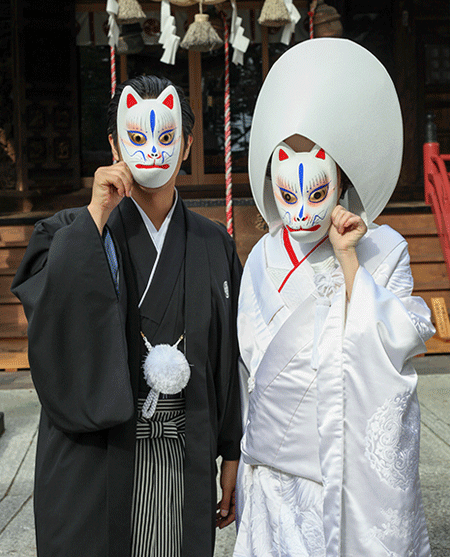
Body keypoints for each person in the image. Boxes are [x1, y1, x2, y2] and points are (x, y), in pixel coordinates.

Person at [12, 75, 242, 557]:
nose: (153, 150)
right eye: (136, 137)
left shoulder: (213, 242)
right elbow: (52, 322)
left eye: (166, 137)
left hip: (184, 452)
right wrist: (95, 215)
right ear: (114, 144)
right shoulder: (68, 233)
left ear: (186, 147)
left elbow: (230, 357)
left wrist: (233, 450)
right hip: (100, 454)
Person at [233, 39, 434, 557]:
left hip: (343, 464)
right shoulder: (261, 256)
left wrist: (349, 260)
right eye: (288, 195)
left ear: (340, 181)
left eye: (317, 194)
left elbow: (401, 339)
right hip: (273, 469)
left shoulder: (383, 248)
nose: (301, 211)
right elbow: (252, 360)